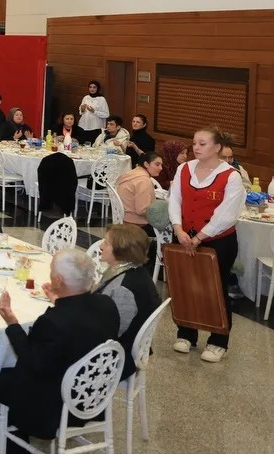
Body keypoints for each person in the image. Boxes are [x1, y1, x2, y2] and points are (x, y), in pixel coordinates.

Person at [0, 247, 119, 454]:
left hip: (54, 407)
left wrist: (12, 323)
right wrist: (59, 303)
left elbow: (32, 363)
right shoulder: (107, 305)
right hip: (92, 397)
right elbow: (79, 333)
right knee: (8, 374)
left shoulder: (52, 322)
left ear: (58, 280)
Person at [169, 127, 245, 363]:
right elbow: (175, 199)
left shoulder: (231, 176)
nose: (196, 148)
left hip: (217, 241)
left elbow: (227, 214)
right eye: (194, 143)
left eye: (202, 144)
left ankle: (218, 340)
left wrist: (200, 237)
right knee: (185, 286)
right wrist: (178, 229)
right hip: (184, 236)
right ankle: (186, 333)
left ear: (217, 147)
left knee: (215, 289)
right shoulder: (184, 169)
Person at [95, 224, 162, 378]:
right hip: (120, 347)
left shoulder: (124, 289)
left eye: (106, 243)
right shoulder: (135, 271)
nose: (101, 246)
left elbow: (110, 332)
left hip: (114, 359)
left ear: (121, 250)